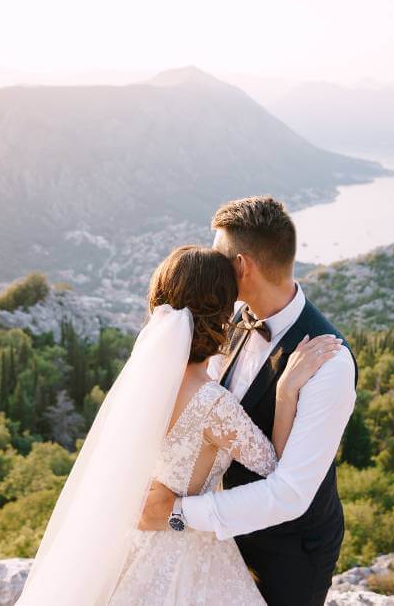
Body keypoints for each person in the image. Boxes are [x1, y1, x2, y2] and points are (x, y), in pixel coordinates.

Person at [18, 244, 342, 605]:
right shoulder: (212, 403)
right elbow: (275, 470)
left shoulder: (145, 386)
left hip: (134, 541)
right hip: (188, 550)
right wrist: (285, 393)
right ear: (222, 315)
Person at [139, 196, 358, 606]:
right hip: (213, 541)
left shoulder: (328, 363)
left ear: (241, 266)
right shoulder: (227, 322)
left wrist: (177, 513)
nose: (212, 265)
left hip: (287, 553)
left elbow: (290, 492)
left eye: (219, 257)